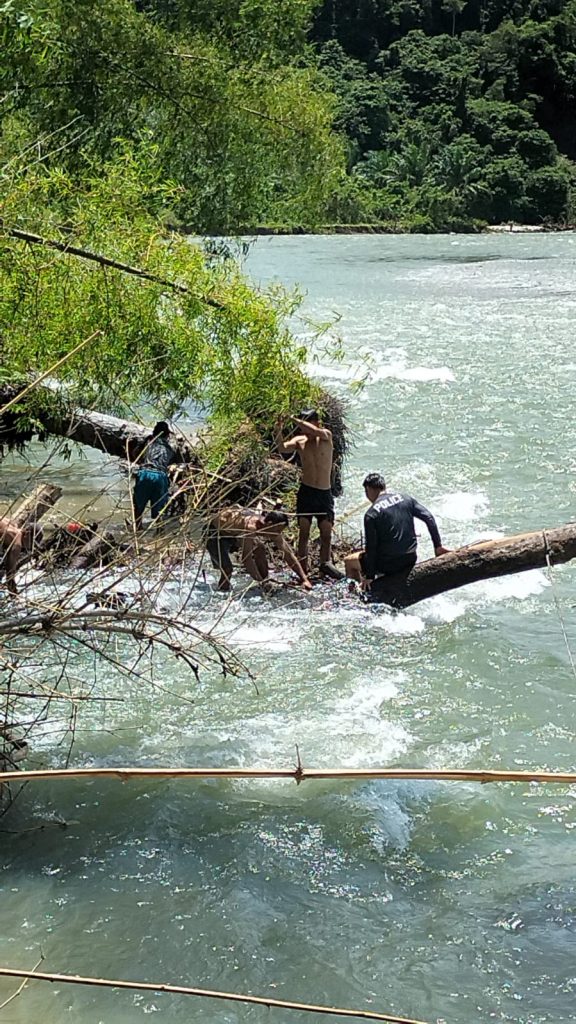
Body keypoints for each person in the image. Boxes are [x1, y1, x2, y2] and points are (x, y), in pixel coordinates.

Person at [347, 473, 449, 595]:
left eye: (366, 492)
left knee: (349, 561)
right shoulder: (406, 498)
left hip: (387, 565)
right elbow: (429, 517)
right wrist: (437, 546)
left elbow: (371, 547)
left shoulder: (371, 514)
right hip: (410, 559)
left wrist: (370, 576)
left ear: (368, 489)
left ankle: (358, 595)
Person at [275, 409, 344, 580]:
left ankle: (325, 568)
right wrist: (278, 429)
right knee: (304, 533)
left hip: (324, 493)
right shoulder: (300, 441)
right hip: (306, 492)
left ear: (317, 423)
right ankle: (303, 572)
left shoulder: (325, 436)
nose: (304, 429)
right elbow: (282, 448)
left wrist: (292, 418)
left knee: (326, 534)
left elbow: (314, 431)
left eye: (307, 423)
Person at [206, 507, 312, 593]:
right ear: (269, 524)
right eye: (277, 530)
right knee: (227, 570)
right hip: (214, 533)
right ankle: (222, 593)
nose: (278, 534)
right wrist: (261, 582)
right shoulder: (250, 527)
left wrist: (304, 579)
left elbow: (288, 554)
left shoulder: (272, 529)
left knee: (259, 548)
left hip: (234, 534)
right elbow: (246, 559)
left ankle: (266, 580)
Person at [132, 421, 177, 529]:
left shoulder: (148, 441)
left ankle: (137, 528)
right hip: (160, 476)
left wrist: (140, 462)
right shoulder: (170, 448)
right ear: (167, 435)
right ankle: (159, 531)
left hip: (145, 473)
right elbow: (171, 463)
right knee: (160, 509)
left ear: (154, 432)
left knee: (138, 506)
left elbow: (135, 453)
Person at [0, 517, 39, 595]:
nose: (30, 547)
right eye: (32, 543)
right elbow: (10, 573)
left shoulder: (13, 524)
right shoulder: (17, 544)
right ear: (27, 534)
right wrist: (13, 593)